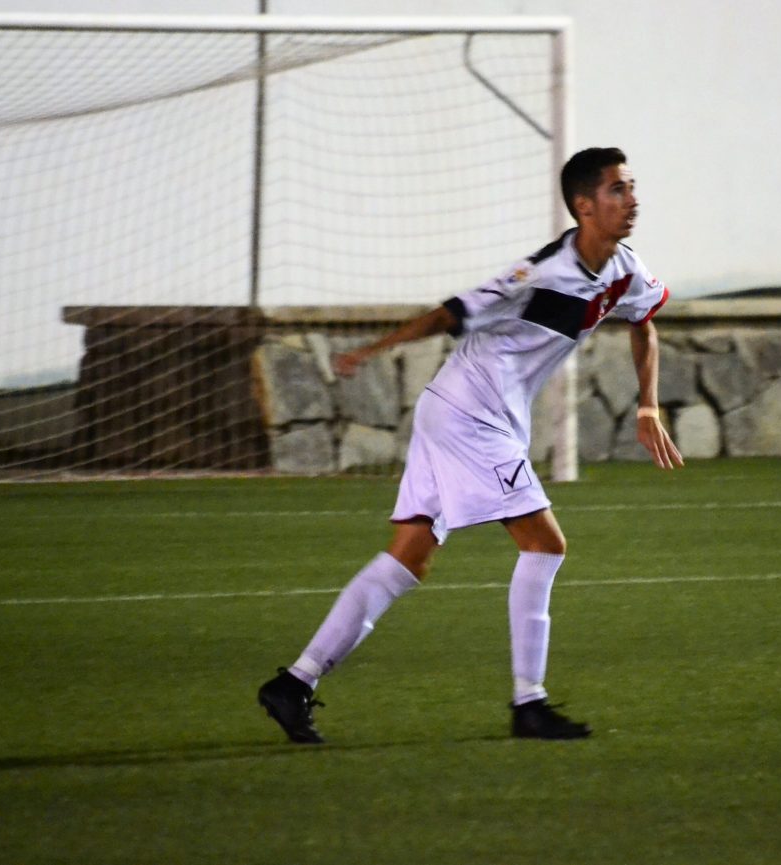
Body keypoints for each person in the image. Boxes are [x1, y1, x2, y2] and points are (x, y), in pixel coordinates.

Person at [258, 147, 683, 743]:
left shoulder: (625, 269)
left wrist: (647, 406)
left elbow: (644, 322)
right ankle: (529, 703)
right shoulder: (540, 274)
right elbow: (449, 314)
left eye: (631, 187)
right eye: (618, 189)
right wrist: (374, 350)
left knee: (409, 556)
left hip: (459, 412)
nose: (632, 200)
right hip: (470, 415)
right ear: (584, 206)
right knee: (545, 544)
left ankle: (294, 683)